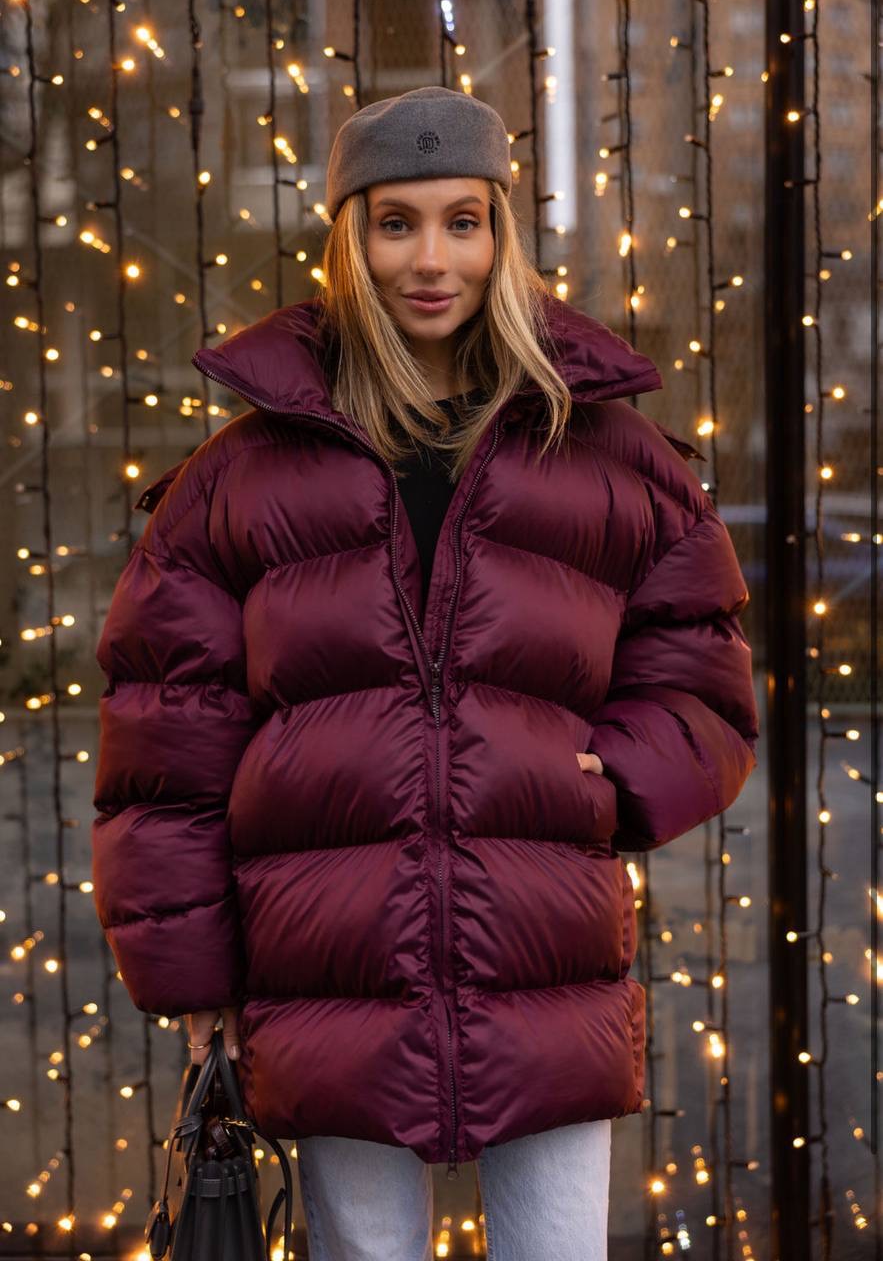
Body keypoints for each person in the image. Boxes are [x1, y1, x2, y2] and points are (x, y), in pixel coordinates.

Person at [91, 86, 759, 1260]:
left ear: (501, 233)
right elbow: (166, 740)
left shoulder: (607, 454)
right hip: (324, 959)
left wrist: (618, 770)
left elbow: (700, 668)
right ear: (348, 239)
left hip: (544, 951)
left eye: (463, 220)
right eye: (395, 223)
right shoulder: (240, 476)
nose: (431, 259)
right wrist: (193, 973)